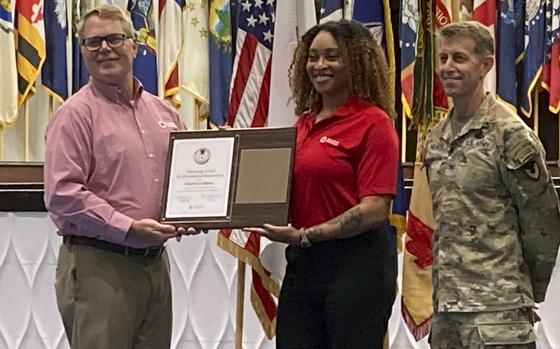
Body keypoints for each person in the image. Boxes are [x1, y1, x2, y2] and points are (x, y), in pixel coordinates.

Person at [43, 4, 202, 348]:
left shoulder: (165, 114)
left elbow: (188, 178)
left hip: (156, 264)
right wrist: (128, 226)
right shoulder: (74, 116)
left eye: (114, 39)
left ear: (135, 44)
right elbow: (63, 195)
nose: (104, 49)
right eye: (93, 42)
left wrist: (195, 213)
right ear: (82, 50)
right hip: (99, 265)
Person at [244, 20, 399, 348]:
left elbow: (375, 210)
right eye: (312, 57)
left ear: (356, 61)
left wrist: (304, 236)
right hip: (303, 265)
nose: (319, 65)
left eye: (332, 56)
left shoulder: (374, 123)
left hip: (357, 268)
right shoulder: (303, 124)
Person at [424, 21, 560, 348]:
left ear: (485, 65)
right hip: (447, 313)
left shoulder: (510, 135)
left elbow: (543, 222)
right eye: (443, 58)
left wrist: (524, 291)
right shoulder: (436, 139)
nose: (447, 67)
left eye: (459, 58)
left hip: (498, 314)